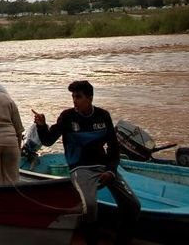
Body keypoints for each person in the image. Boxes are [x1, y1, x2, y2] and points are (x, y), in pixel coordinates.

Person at [33, 80, 140, 245]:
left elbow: (113, 148)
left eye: (78, 97)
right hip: (80, 168)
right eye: (73, 97)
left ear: (89, 98)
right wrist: (41, 126)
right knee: (90, 205)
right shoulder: (67, 117)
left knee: (133, 204)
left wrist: (111, 171)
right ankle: (91, 240)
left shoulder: (103, 116)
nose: (74, 100)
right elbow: (48, 140)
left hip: (104, 167)